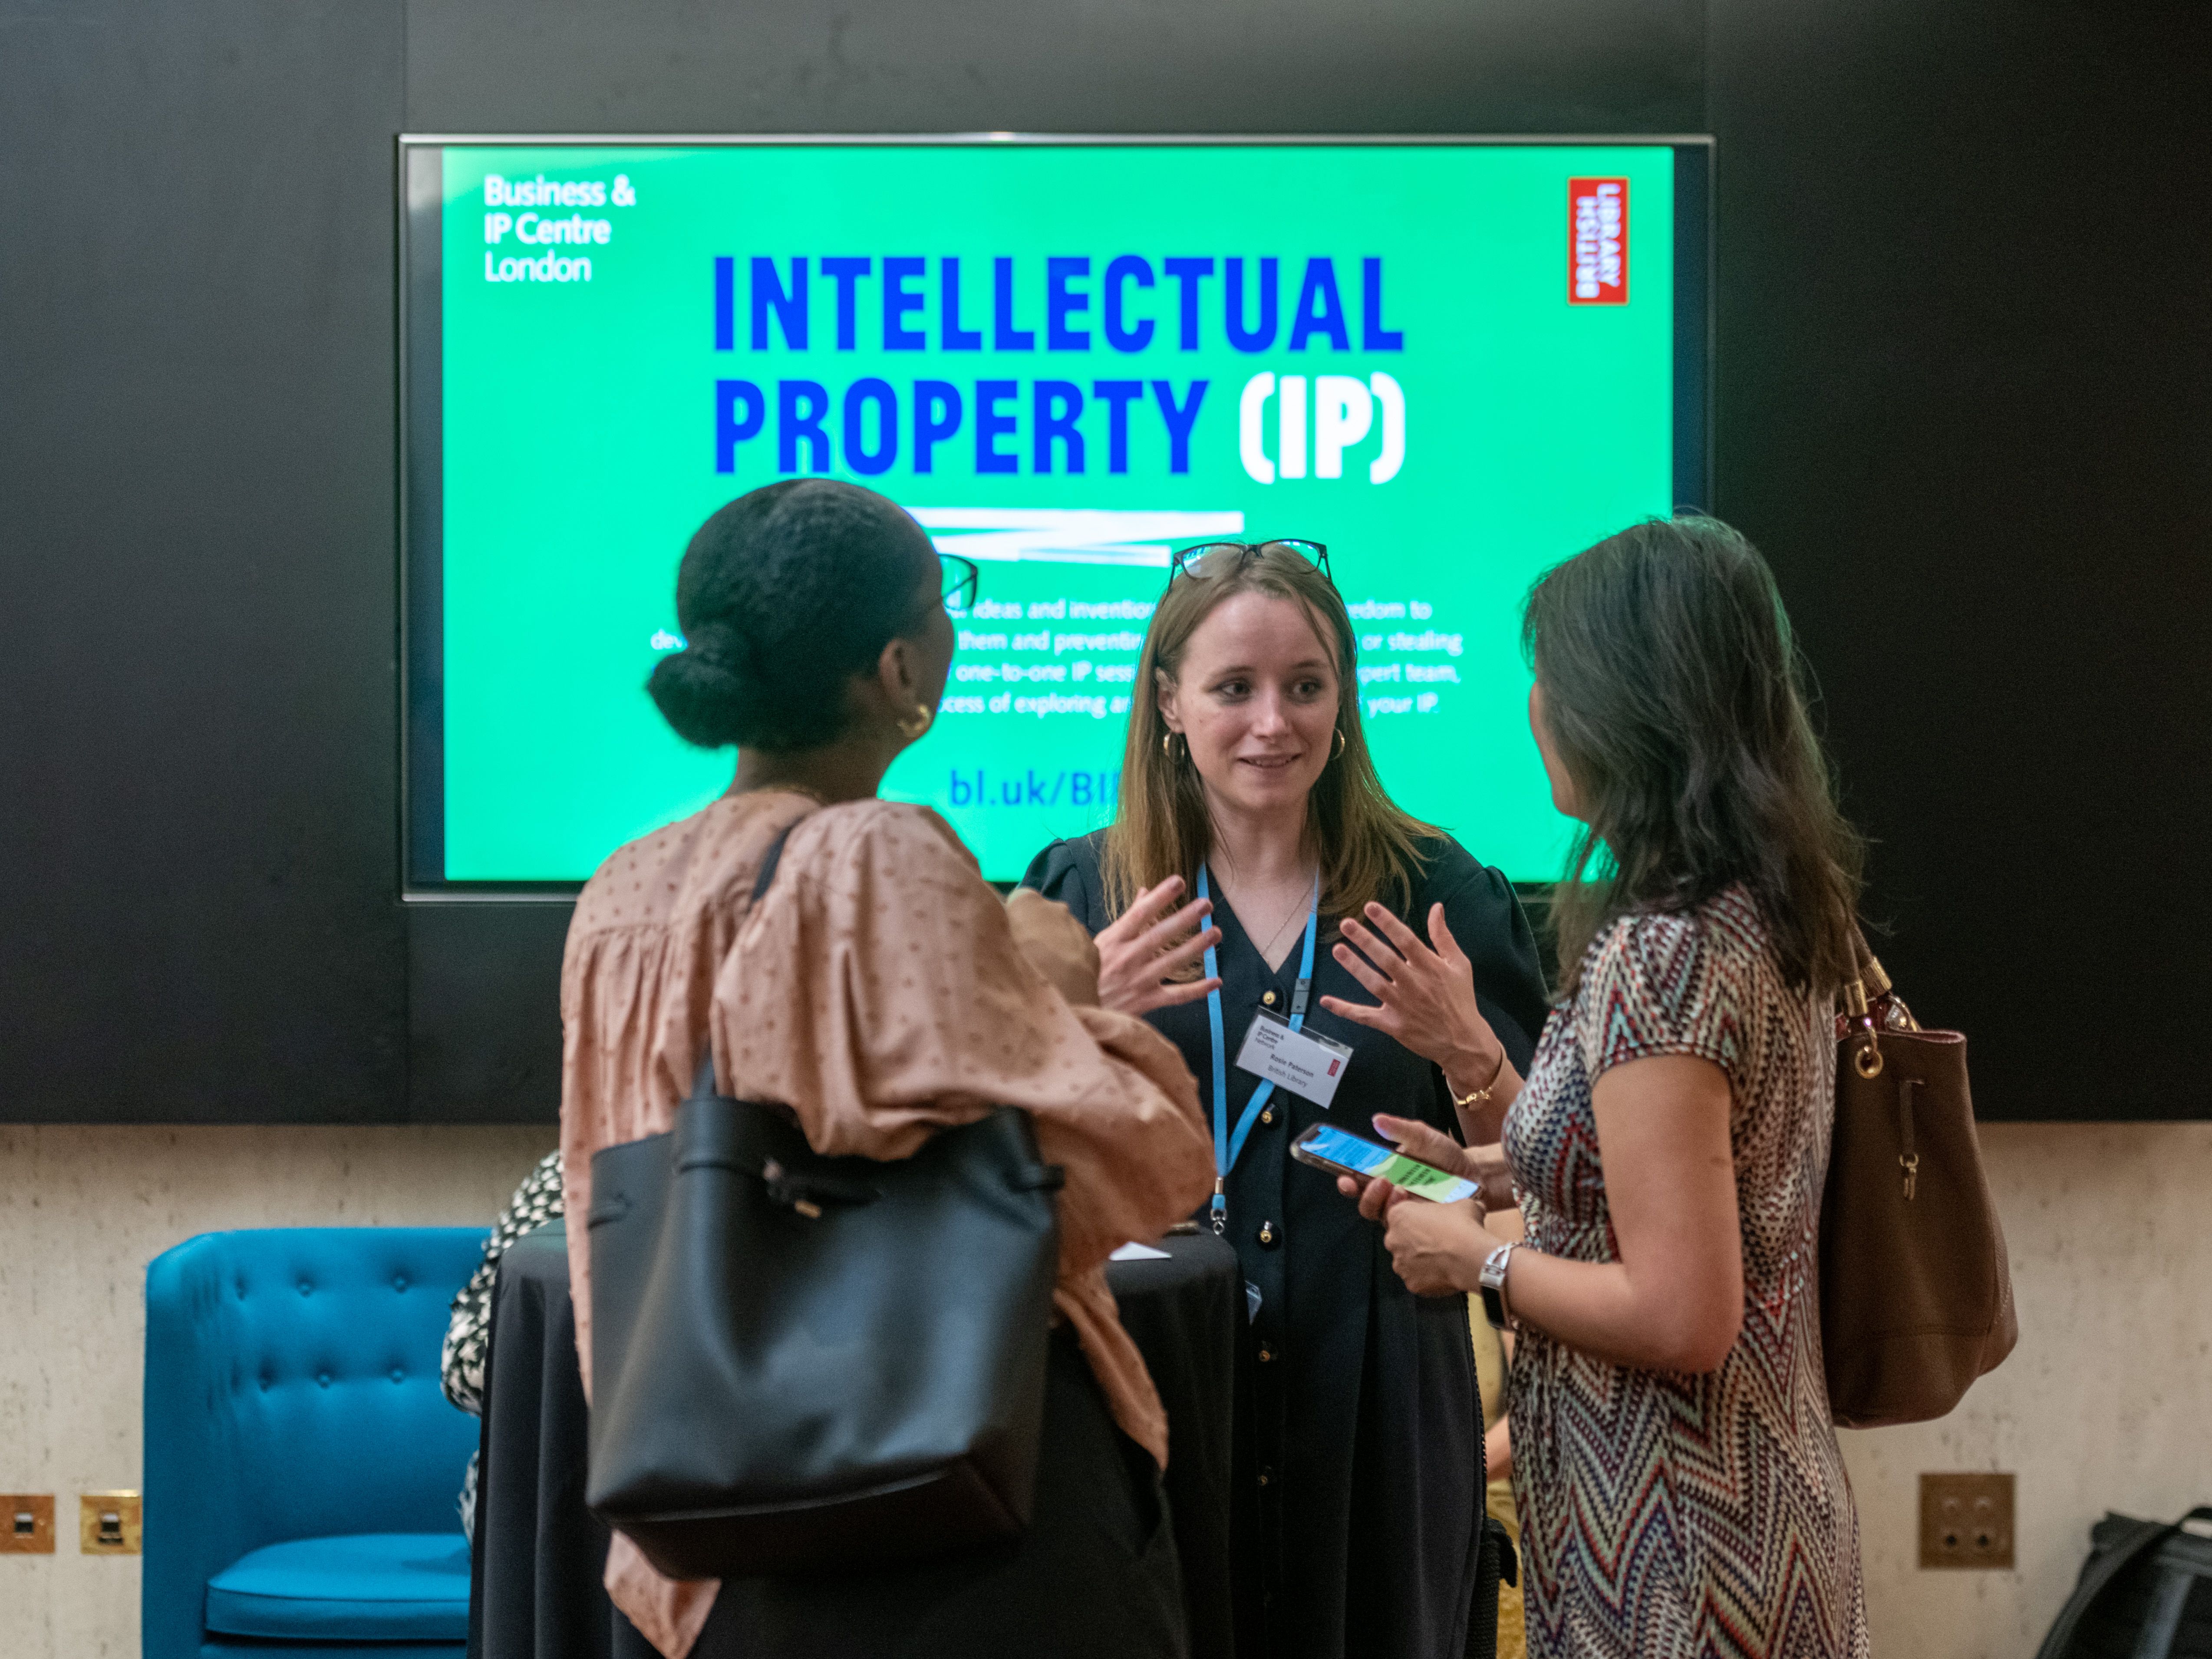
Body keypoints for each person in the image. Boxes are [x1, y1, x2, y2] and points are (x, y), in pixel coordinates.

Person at [560, 479, 1216, 1659]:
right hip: (945, 1525)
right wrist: (1062, 977)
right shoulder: (879, 859)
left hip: (706, 1534)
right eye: (948, 601)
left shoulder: (620, 895)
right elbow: (1127, 1167)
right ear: (900, 671)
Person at [1347, 515, 1870, 1658]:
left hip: (1675, 1554)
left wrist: (1473, 1257)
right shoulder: (1758, 913)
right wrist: (1484, 1163)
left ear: (1624, 704)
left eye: (1550, 675)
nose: (1535, 707)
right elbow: (1671, 1181)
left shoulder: (1665, 954)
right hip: (1738, 1528)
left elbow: (1683, 1313)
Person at [1022, 539, 1552, 1659]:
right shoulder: (1082, 893)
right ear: (1169, 702)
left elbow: (1551, 1173)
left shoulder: (1438, 892)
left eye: (1306, 686)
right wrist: (1075, 1019)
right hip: (1146, 1373)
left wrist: (1470, 1057)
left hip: (1378, 1388)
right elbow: (996, 1158)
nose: (1274, 723)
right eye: (1233, 689)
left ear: (1346, 697)